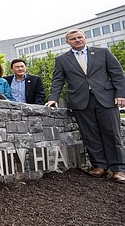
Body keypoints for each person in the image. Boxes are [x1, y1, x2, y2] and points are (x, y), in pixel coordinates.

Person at [45, 29, 125, 183]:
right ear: (67, 42)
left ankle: (119, 169)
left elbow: (117, 74)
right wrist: (53, 98)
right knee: (90, 135)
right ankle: (99, 166)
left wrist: (120, 94)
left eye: (79, 37)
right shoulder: (61, 59)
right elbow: (57, 80)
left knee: (112, 133)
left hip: (106, 99)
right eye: (73, 38)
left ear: (85, 38)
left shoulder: (103, 53)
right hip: (80, 101)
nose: (77, 40)